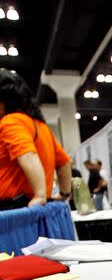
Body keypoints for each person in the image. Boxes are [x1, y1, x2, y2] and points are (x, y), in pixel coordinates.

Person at [0, 68, 71, 209]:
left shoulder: (10, 122)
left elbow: (27, 155)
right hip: (27, 209)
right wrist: (64, 193)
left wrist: (40, 195)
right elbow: (64, 162)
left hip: (14, 211)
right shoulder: (40, 126)